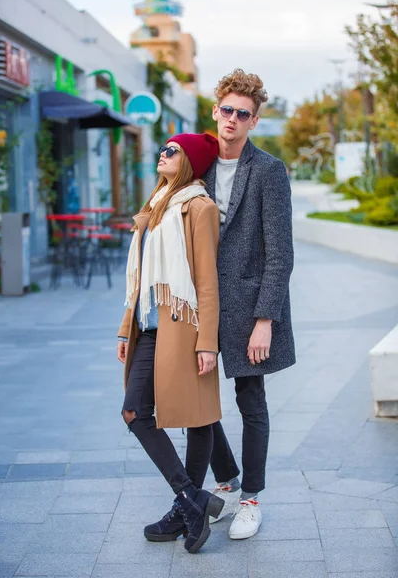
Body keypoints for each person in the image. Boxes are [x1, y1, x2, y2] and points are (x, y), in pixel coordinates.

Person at [117, 133, 224, 554]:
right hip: (148, 327)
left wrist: (207, 343)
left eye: (172, 150)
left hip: (183, 326)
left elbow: (207, 283)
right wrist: (125, 330)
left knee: (197, 420)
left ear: (189, 162)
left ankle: (186, 508)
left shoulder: (200, 208)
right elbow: (139, 280)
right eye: (162, 147)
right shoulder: (157, 204)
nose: (162, 154)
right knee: (134, 411)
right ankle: (191, 500)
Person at [205, 69, 295, 539]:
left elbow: (281, 253)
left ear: (254, 121)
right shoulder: (194, 166)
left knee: (250, 400)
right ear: (215, 111)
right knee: (196, 398)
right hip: (200, 304)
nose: (233, 119)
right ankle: (224, 479)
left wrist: (266, 320)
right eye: (227, 110)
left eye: (244, 114)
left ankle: (251, 499)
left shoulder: (268, 171)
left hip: (246, 304)